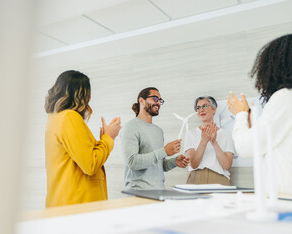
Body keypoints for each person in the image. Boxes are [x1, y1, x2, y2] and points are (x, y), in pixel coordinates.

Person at [227, 33, 292, 195]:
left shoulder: (285, 97)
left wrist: (241, 114)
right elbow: (279, 143)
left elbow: (246, 147)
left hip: (289, 200)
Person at [44, 70, 121, 207]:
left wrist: (102, 139)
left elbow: (75, 159)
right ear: (82, 94)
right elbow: (90, 165)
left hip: (64, 204)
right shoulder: (69, 117)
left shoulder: (54, 118)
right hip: (78, 206)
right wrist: (108, 138)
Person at [121, 87, 189, 190]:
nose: (158, 103)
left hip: (159, 191)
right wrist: (164, 151)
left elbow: (159, 164)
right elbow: (132, 162)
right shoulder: (130, 127)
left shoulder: (158, 131)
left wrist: (174, 162)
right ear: (141, 101)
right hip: (138, 192)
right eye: (155, 99)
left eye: (160, 101)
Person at [184, 96, 235, 185]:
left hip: (220, 180)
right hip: (196, 179)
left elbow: (227, 165)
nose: (201, 110)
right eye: (198, 108)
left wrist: (214, 142)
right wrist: (203, 141)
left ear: (214, 109)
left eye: (205, 106)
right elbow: (193, 164)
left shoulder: (226, 134)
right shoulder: (190, 133)